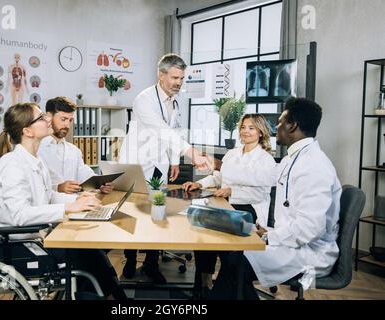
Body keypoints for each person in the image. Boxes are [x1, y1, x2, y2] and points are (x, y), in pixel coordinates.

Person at [0, 103, 126, 299]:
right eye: (41, 117)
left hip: (37, 235)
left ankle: (117, 298)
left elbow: (49, 196)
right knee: (85, 258)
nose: (47, 120)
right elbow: (19, 215)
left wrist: (79, 198)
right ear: (28, 131)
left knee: (92, 252)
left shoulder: (35, 160)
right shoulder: (12, 165)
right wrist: (70, 207)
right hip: (16, 242)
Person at [208, 97, 341, 300]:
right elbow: (264, 181)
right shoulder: (292, 159)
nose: (276, 127)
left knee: (236, 263)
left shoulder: (313, 166)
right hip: (290, 242)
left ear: (292, 125)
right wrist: (269, 231)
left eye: (279, 122)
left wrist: (270, 236)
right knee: (234, 260)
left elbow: (310, 229)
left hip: (309, 253)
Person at [118, 53, 213, 284]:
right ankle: (130, 261)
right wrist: (191, 153)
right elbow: (161, 130)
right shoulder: (144, 99)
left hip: (158, 165)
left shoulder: (174, 101)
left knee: (156, 211)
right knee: (133, 212)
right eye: (174, 77)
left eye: (182, 78)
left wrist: (173, 161)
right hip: (137, 163)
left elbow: (174, 132)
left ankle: (151, 264)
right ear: (161, 75)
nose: (179, 82)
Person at [182, 114, 276, 298]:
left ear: (260, 132)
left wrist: (231, 191)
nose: (246, 131)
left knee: (222, 239)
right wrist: (200, 184)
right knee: (202, 232)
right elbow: (219, 177)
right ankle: (203, 281)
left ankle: (228, 284)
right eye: (243, 127)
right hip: (226, 205)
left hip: (248, 209)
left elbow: (261, 193)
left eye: (251, 128)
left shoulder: (265, 160)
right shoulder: (233, 153)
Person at [37, 96, 112, 194]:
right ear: (49, 116)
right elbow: (34, 187)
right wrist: (58, 188)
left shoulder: (74, 150)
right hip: (52, 206)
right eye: (63, 119)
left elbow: (85, 174)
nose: (67, 125)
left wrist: (100, 184)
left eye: (70, 120)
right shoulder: (37, 149)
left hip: (76, 203)